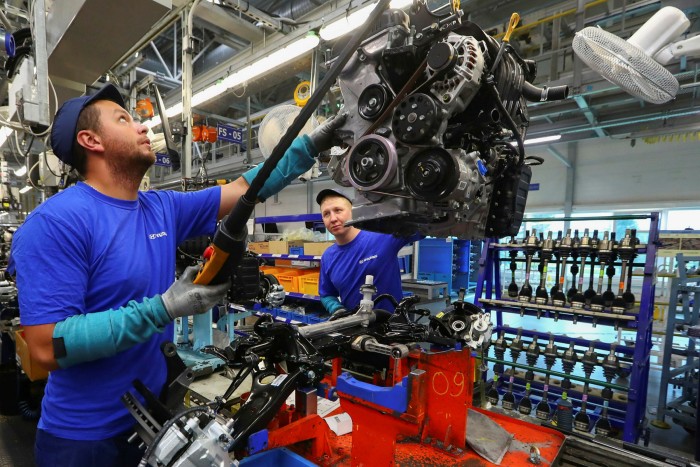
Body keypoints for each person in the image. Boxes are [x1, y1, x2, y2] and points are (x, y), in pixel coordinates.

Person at [8, 83, 344, 467]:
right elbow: (47, 346)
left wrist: (310, 145)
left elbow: (243, 188)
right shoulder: (56, 223)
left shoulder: (159, 207)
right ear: (90, 140)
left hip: (157, 424)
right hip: (84, 442)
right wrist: (162, 308)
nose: (142, 127)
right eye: (123, 120)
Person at [316, 188, 420, 316]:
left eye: (338, 210)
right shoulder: (328, 257)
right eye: (326, 214)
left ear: (352, 211)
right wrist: (337, 309)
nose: (333, 218)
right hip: (355, 329)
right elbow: (326, 294)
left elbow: (424, 228)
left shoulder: (382, 236)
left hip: (392, 326)